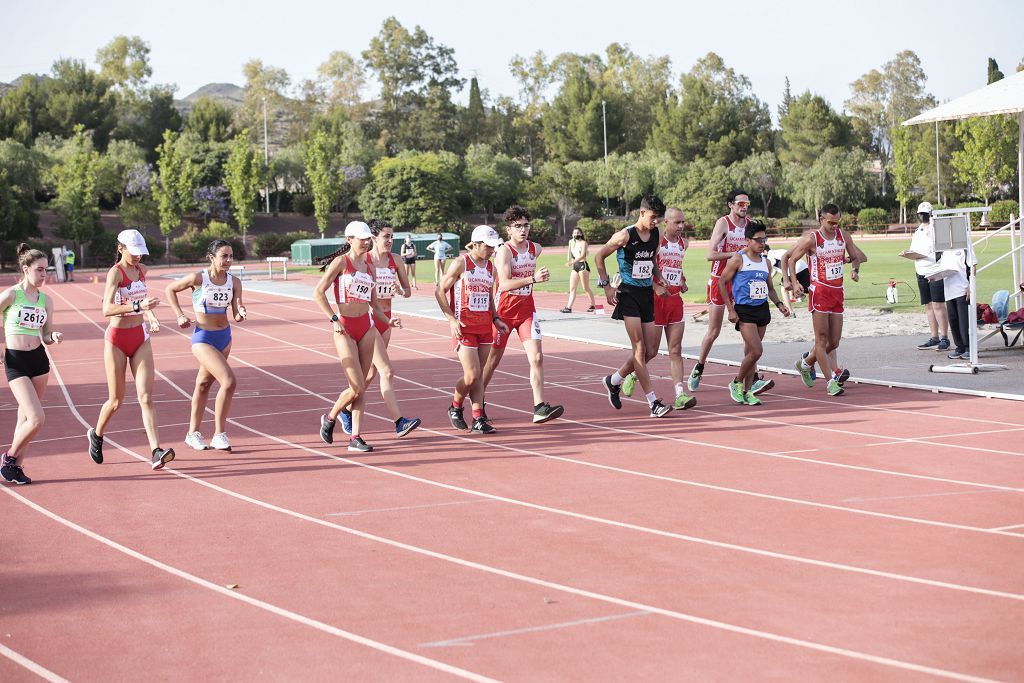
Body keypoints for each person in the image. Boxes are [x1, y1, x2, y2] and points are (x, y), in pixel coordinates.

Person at [87, 229, 175, 470]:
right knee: (116, 400)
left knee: (146, 396)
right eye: (133, 253)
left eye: (140, 253)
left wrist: (151, 315)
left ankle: (156, 451)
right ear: (121, 249)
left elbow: (143, 300)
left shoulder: (142, 271)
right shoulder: (115, 273)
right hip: (117, 339)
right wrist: (138, 305)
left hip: (140, 337)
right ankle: (97, 434)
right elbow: (106, 309)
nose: (138, 257)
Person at [314, 221, 401, 453]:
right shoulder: (341, 263)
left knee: (361, 388)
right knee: (356, 386)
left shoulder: (369, 267)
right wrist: (333, 319)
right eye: (360, 238)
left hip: (367, 328)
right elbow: (318, 293)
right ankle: (331, 417)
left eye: (366, 238)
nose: (364, 242)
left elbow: (374, 305)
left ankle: (355, 437)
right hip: (345, 327)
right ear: (349, 240)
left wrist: (387, 321)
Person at [330, 219, 420, 439]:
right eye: (385, 236)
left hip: (385, 319)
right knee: (387, 371)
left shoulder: (396, 261)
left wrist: (399, 289)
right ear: (373, 238)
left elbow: (408, 291)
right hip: (367, 320)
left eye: (392, 236)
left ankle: (346, 411)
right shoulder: (365, 261)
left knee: (369, 374)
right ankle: (399, 421)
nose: (390, 240)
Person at [480, 206, 564, 424]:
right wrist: (533, 279)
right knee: (491, 362)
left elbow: (536, 253)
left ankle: (539, 407)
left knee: (537, 357)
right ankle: (477, 402)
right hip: (504, 313)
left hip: (527, 311)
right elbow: (505, 284)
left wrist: (533, 279)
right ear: (508, 230)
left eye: (526, 225)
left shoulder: (536, 248)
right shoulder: (505, 251)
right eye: (518, 226)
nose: (523, 230)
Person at [165, 239, 248, 452]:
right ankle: (219, 434)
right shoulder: (198, 279)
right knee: (229, 381)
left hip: (225, 338)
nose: (229, 260)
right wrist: (180, 315)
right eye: (224, 256)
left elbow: (237, 310)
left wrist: (241, 313)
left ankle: (193, 434)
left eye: (231, 256)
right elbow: (170, 289)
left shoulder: (234, 282)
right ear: (212, 257)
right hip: (203, 338)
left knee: (203, 384)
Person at [687, 190, 772, 396]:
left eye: (747, 203)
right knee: (714, 331)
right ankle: (699, 366)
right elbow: (710, 254)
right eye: (740, 203)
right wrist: (735, 254)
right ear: (730, 205)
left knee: (749, 333)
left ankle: (751, 379)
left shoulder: (750, 225)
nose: (744, 207)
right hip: (720, 280)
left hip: (742, 283)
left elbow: (756, 247)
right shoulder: (723, 223)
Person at [596, 194, 673, 418]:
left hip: (646, 294)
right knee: (639, 349)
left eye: (658, 218)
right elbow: (599, 257)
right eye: (653, 217)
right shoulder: (625, 235)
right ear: (641, 213)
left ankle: (614, 380)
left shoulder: (655, 234)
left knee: (651, 351)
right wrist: (607, 287)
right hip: (627, 293)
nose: (656, 222)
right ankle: (653, 403)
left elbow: (652, 261)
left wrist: (658, 280)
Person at [783, 204, 867, 397]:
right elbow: (790, 259)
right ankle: (830, 381)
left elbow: (855, 257)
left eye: (837, 222)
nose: (834, 226)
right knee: (821, 340)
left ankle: (805, 363)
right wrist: (793, 282)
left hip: (837, 292)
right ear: (821, 219)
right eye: (830, 222)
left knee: (834, 342)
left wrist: (855, 270)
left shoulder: (843, 236)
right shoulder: (813, 239)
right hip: (819, 291)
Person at [620, 207, 697, 410]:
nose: (681, 226)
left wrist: (682, 280)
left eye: (683, 222)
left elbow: (676, 266)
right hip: (654, 301)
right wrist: (655, 286)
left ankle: (680, 394)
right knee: (650, 352)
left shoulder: (684, 243)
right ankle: (631, 374)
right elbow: (647, 264)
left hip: (674, 300)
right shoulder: (657, 241)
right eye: (677, 223)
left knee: (675, 349)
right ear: (667, 223)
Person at [0, 245, 64, 485]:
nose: (43, 275)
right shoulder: (11, 295)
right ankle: (8, 457)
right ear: (26, 270)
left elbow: (46, 334)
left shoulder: (46, 301)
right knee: (37, 418)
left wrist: (53, 336)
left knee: (25, 418)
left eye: (45, 270)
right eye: (39, 270)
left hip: (38, 360)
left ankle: (16, 468)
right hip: (16, 361)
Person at [435, 225, 508, 434]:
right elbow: (439, 291)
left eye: (494, 246)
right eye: (488, 246)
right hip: (464, 328)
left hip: (485, 327)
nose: (492, 250)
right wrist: (451, 319)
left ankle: (478, 417)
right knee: (472, 374)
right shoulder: (461, 263)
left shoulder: (491, 268)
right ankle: (455, 406)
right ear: (475, 244)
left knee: (479, 375)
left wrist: (495, 318)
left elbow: (488, 297)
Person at [718, 222, 791, 404]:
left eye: (764, 239)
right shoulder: (738, 259)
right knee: (756, 351)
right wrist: (730, 309)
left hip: (762, 310)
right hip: (744, 310)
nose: (762, 243)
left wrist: (779, 304)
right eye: (758, 240)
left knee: (751, 353)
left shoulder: (765, 262)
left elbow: (770, 288)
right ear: (748, 240)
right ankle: (736, 383)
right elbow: (721, 282)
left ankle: (748, 391)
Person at [903, 202, 950, 351]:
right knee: (928, 305)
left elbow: (943, 249)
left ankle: (944, 337)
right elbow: (915, 248)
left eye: (924, 214)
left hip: (935, 270)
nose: (922, 217)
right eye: (920, 214)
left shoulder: (937, 229)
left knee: (938, 304)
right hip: (920, 269)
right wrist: (908, 252)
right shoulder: (918, 231)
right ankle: (934, 337)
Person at [941, 245, 977, 360]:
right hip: (948, 290)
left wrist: (970, 285)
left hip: (962, 289)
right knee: (953, 319)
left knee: (964, 321)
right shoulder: (943, 249)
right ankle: (959, 347)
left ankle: (968, 348)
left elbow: (973, 266)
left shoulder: (965, 247)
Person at [561, 227, 596, 313]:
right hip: (575, 266)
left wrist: (572, 262)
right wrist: (569, 260)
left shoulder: (583, 243)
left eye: (578, 233)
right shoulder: (571, 242)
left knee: (585, 288)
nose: (576, 234)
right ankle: (568, 307)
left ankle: (593, 305)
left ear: (581, 234)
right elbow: (569, 252)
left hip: (582, 266)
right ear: (572, 234)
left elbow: (583, 256)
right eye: (574, 233)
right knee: (572, 288)